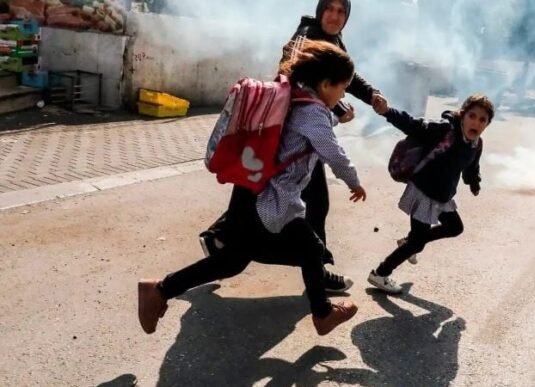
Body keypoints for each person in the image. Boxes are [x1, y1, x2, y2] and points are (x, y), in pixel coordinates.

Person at [139, 40, 366, 336]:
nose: (343, 94)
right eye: (343, 87)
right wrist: (354, 181)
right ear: (325, 85)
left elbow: (310, 128)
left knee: (233, 261)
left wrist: (335, 114)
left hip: (251, 191)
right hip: (270, 201)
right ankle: (322, 314)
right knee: (311, 248)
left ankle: (160, 289)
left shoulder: (298, 97)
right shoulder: (313, 113)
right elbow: (331, 150)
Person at [199, 0, 388, 293]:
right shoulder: (306, 34)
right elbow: (296, 76)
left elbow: (343, 76)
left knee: (267, 194)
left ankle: (218, 238)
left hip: (300, 136)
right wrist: (337, 110)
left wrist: (371, 93)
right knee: (311, 203)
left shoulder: (333, 40)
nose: (335, 16)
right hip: (292, 134)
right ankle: (317, 272)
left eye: (342, 11)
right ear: (320, 10)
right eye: (330, 9)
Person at [367, 94, 495, 294]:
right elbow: (413, 125)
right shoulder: (444, 130)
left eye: (482, 119)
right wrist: (387, 112)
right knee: (417, 243)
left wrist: (474, 183)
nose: (476, 123)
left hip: (442, 195)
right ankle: (381, 272)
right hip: (424, 192)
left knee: (454, 228)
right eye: (472, 116)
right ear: (462, 115)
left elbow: (471, 167)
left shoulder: (476, 144)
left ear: (487, 124)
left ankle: (409, 242)